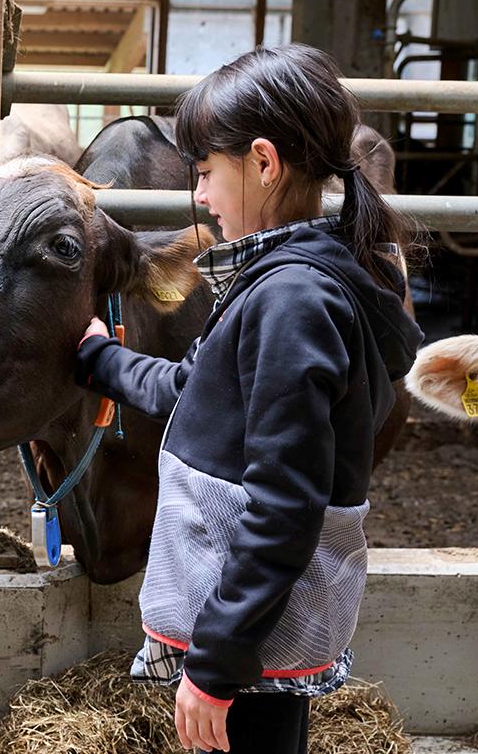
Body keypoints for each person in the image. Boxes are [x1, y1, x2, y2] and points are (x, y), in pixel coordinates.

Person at [74, 44, 423, 753]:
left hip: (252, 634)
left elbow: (285, 503)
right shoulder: (285, 280)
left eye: (206, 172)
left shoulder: (291, 301)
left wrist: (217, 664)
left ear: (264, 163)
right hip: (259, 623)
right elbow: (189, 387)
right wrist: (100, 358)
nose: (201, 196)